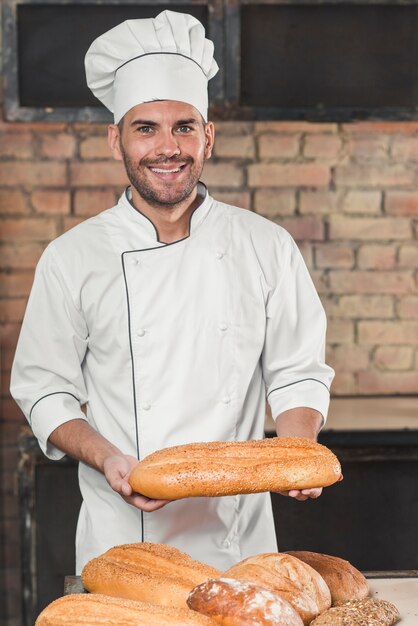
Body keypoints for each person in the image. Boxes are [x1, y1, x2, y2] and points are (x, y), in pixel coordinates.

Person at [10, 10, 334, 574]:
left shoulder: (266, 244)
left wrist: (297, 453)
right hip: (124, 541)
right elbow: (44, 390)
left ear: (207, 136)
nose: (168, 148)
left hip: (241, 544)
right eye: (146, 128)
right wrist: (109, 458)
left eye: (184, 126)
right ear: (116, 141)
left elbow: (297, 370)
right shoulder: (72, 257)